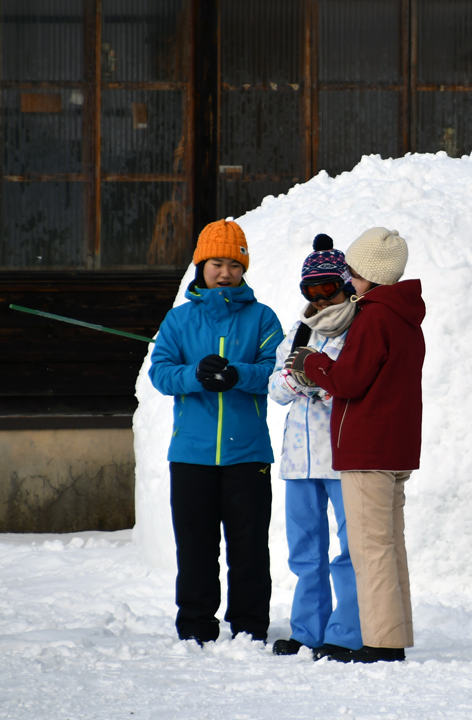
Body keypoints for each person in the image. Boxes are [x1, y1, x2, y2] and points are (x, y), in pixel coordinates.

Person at [148, 219, 284, 645]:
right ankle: (195, 625)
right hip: (192, 454)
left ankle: (249, 626)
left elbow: (276, 373)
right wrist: (195, 375)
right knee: (196, 547)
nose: (224, 272)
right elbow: (161, 373)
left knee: (249, 548)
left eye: (232, 264)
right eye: (215, 263)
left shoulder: (263, 319)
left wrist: (237, 374)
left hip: (248, 455)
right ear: (200, 266)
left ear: (243, 268)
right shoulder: (178, 320)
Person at [298, 227, 425, 664]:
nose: (347, 279)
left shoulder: (373, 317)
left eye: (351, 272)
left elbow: (348, 381)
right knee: (390, 546)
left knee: (370, 550)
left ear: (370, 274)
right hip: (396, 447)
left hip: (367, 448)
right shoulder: (406, 317)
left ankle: (381, 644)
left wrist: (311, 362)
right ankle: (393, 635)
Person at [268, 234, 363, 658]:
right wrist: (294, 381)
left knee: (350, 551)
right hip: (298, 459)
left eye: (329, 289)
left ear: (345, 286)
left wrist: (322, 383)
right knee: (306, 551)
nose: (321, 299)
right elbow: (276, 386)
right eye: (312, 291)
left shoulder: (359, 325)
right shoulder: (299, 330)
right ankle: (307, 630)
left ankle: (345, 632)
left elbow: (354, 382)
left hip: (341, 456)